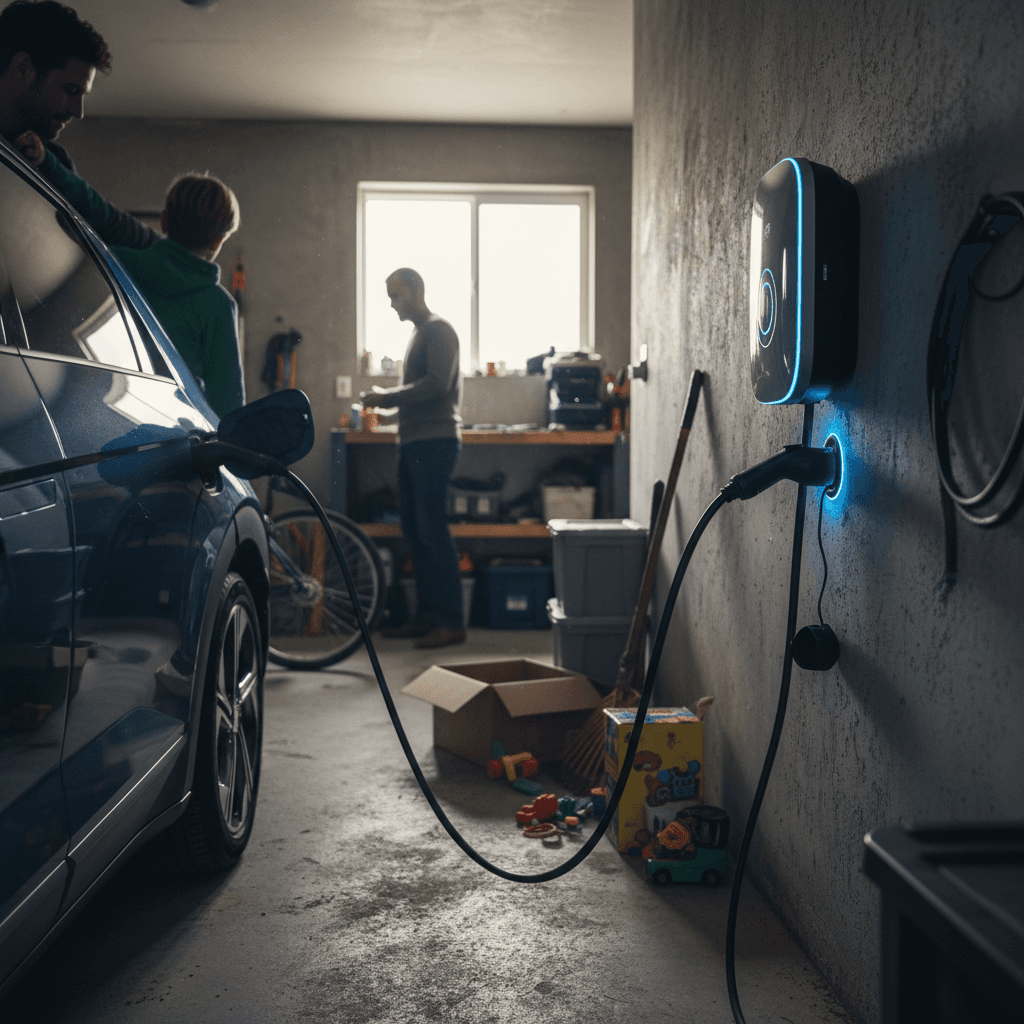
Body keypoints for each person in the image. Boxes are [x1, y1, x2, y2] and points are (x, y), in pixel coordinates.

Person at [361, 268, 466, 649]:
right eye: (390, 297)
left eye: (397, 296)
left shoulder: (438, 330)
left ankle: (450, 621)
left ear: (417, 291)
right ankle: (427, 618)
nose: (392, 304)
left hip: (433, 443)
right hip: (416, 442)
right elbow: (423, 394)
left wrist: (387, 397)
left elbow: (437, 385)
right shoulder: (420, 334)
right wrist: (387, 411)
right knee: (417, 532)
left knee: (431, 529)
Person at [0, 0, 158, 249]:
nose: (78, 111)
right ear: (22, 69)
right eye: (70, 90)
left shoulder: (54, 160)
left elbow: (114, 228)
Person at [112, 173, 244, 418]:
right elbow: (228, 406)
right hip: (176, 430)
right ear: (217, 242)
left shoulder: (115, 262)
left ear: (163, 221)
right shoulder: (218, 306)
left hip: (111, 405)